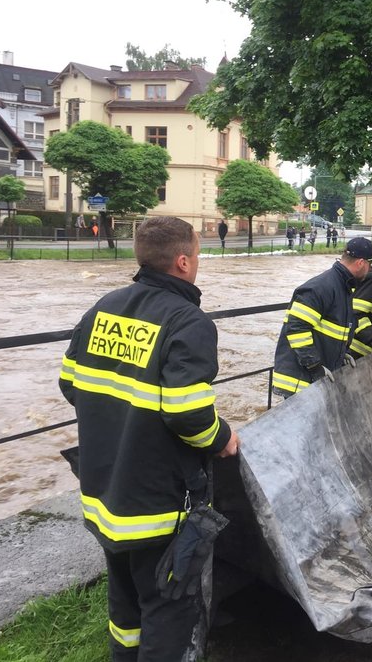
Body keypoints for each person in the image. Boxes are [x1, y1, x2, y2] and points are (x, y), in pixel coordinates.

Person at [58, 216, 240, 661]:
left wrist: (118, 417)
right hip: (157, 507)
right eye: (198, 255)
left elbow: (69, 384)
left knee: (125, 608)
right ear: (182, 261)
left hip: (104, 496)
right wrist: (224, 439)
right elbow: (187, 413)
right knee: (167, 608)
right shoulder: (188, 320)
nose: (199, 262)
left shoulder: (103, 307)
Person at [271, 237, 372, 398]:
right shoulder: (322, 287)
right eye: (370, 265)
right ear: (361, 263)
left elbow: (332, 329)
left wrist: (340, 355)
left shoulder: (343, 285)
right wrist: (315, 366)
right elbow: (296, 328)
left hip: (312, 379)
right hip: (300, 380)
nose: (370, 270)